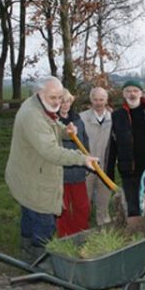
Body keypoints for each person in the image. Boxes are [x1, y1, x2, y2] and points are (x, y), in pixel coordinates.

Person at [5, 76, 99, 261]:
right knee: (44, 222)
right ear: (40, 93)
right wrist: (82, 158)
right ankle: (42, 262)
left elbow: (52, 123)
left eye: (59, 97)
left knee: (30, 214)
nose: (57, 102)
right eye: (53, 98)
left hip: (28, 174)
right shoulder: (32, 116)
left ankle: (27, 254)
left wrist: (65, 131)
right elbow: (50, 151)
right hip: (34, 178)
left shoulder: (39, 106)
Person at [107, 80, 145, 217]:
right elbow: (113, 145)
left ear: (141, 93)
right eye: (128, 91)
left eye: (135, 91)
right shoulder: (117, 116)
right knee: (133, 208)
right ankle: (137, 234)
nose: (132, 94)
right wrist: (109, 172)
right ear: (123, 94)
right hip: (129, 170)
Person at [56, 89, 91, 236]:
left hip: (78, 171)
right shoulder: (53, 123)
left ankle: (80, 233)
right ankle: (64, 235)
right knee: (62, 208)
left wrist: (86, 160)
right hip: (60, 173)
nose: (65, 105)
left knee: (82, 206)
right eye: (62, 101)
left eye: (68, 101)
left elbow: (84, 141)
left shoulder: (77, 120)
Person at [80, 87, 112, 225]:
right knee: (83, 202)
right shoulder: (82, 118)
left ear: (106, 100)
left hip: (105, 166)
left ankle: (104, 230)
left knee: (104, 203)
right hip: (87, 168)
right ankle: (82, 230)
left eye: (102, 99)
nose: (98, 103)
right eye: (95, 99)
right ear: (91, 99)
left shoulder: (113, 118)